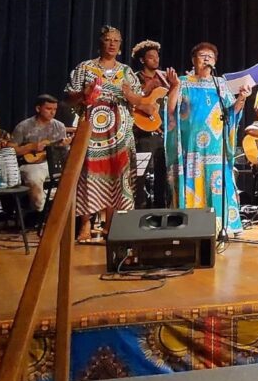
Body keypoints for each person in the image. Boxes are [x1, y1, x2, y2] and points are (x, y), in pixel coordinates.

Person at [65, 26, 150, 242]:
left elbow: (141, 103)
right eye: (107, 40)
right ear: (100, 43)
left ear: (120, 47)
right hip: (92, 132)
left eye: (116, 41)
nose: (112, 44)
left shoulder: (126, 72)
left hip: (120, 134)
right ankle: (85, 223)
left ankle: (111, 225)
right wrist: (82, 94)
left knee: (117, 175)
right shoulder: (85, 68)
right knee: (87, 174)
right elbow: (68, 98)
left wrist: (130, 95)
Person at [165, 42, 252, 235]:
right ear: (193, 60)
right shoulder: (183, 82)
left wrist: (242, 98)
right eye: (202, 56)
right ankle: (191, 227)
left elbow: (231, 114)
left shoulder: (220, 84)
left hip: (215, 149)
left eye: (210, 57)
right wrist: (174, 87)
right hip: (191, 150)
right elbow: (171, 111)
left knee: (218, 185)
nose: (206, 59)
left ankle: (224, 226)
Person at [12, 95, 71, 211]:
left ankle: (61, 211)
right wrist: (31, 147)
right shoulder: (23, 126)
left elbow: (63, 153)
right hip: (31, 164)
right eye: (48, 109)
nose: (52, 112)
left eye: (54, 109)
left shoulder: (59, 126)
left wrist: (64, 146)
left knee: (75, 175)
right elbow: (12, 150)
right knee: (34, 178)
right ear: (38, 109)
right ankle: (38, 213)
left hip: (53, 164)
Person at [131, 39, 170, 208]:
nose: (156, 60)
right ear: (142, 60)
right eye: (151, 57)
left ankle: (161, 207)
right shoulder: (135, 78)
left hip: (164, 133)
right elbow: (131, 102)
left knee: (163, 173)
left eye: (157, 57)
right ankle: (139, 207)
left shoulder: (164, 77)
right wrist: (147, 90)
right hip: (143, 133)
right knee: (140, 173)